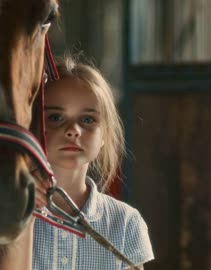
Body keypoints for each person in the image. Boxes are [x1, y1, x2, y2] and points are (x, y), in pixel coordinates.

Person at [32, 54, 154, 270]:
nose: (73, 130)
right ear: (32, 126)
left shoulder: (125, 223)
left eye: (87, 120)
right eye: (55, 117)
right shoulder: (4, 211)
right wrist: (21, 213)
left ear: (104, 135)